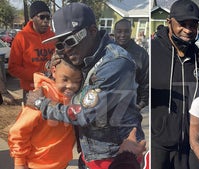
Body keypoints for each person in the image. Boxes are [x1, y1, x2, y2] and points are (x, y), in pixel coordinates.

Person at [26, 2, 146, 169]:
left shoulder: (116, 62)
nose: (66, 49)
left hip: (116, 155)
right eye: (60, 44)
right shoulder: (82, 54)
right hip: (91, 152)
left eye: (70, 40)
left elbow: (84, 113)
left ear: (92, 31)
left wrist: (41, 104)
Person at [151, 0, 199, 168]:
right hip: (157, 146)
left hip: (188, 147)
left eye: (193, 25)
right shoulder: (152, 51)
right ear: (169, 22)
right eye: (182, 24)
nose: (188, 30)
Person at [8, 58, 82, 169]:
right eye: (65, 79)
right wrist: (19, 162)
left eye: (76, 81)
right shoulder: (39, 96)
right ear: (53, 71)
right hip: (37, 164)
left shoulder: (76, 96)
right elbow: (19, 131)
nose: (70, 86)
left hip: (61, 162)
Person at [8, 1, 55, 103]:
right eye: (42, 17)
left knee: (52, 119)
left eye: (48, 17)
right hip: (31, 90)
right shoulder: (22, 37)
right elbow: (13, 67)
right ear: (33, 18)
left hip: (53, 89)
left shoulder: (53, 37)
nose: (46, 21)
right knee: (33, 119)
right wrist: (38, 77)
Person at [114, 19, 149, 111]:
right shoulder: (106, 51)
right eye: (119, 31)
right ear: (114, 32)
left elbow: (146, 81)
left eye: (126, 31)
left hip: (130, 106)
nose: (122, 35)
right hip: (106, 106)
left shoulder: (141, 54)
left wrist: (141, 104)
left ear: (131, 32)